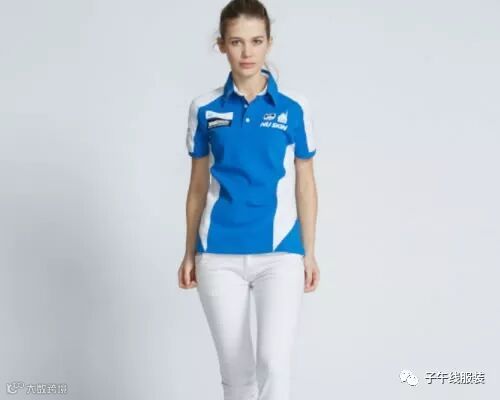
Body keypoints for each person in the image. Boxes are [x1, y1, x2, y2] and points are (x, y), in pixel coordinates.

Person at [178, 1, 320, 399]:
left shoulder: (294, 107)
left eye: (256, 41)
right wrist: (189, 252)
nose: (247, 52)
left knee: (274, 363)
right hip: (218, 253)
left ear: (269, 43)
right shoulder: (204, 108)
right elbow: (197, 186)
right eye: (237, 41)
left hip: (280, 251)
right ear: (221, 45)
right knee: (236, 372)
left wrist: (309, 252)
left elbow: (306, 184)